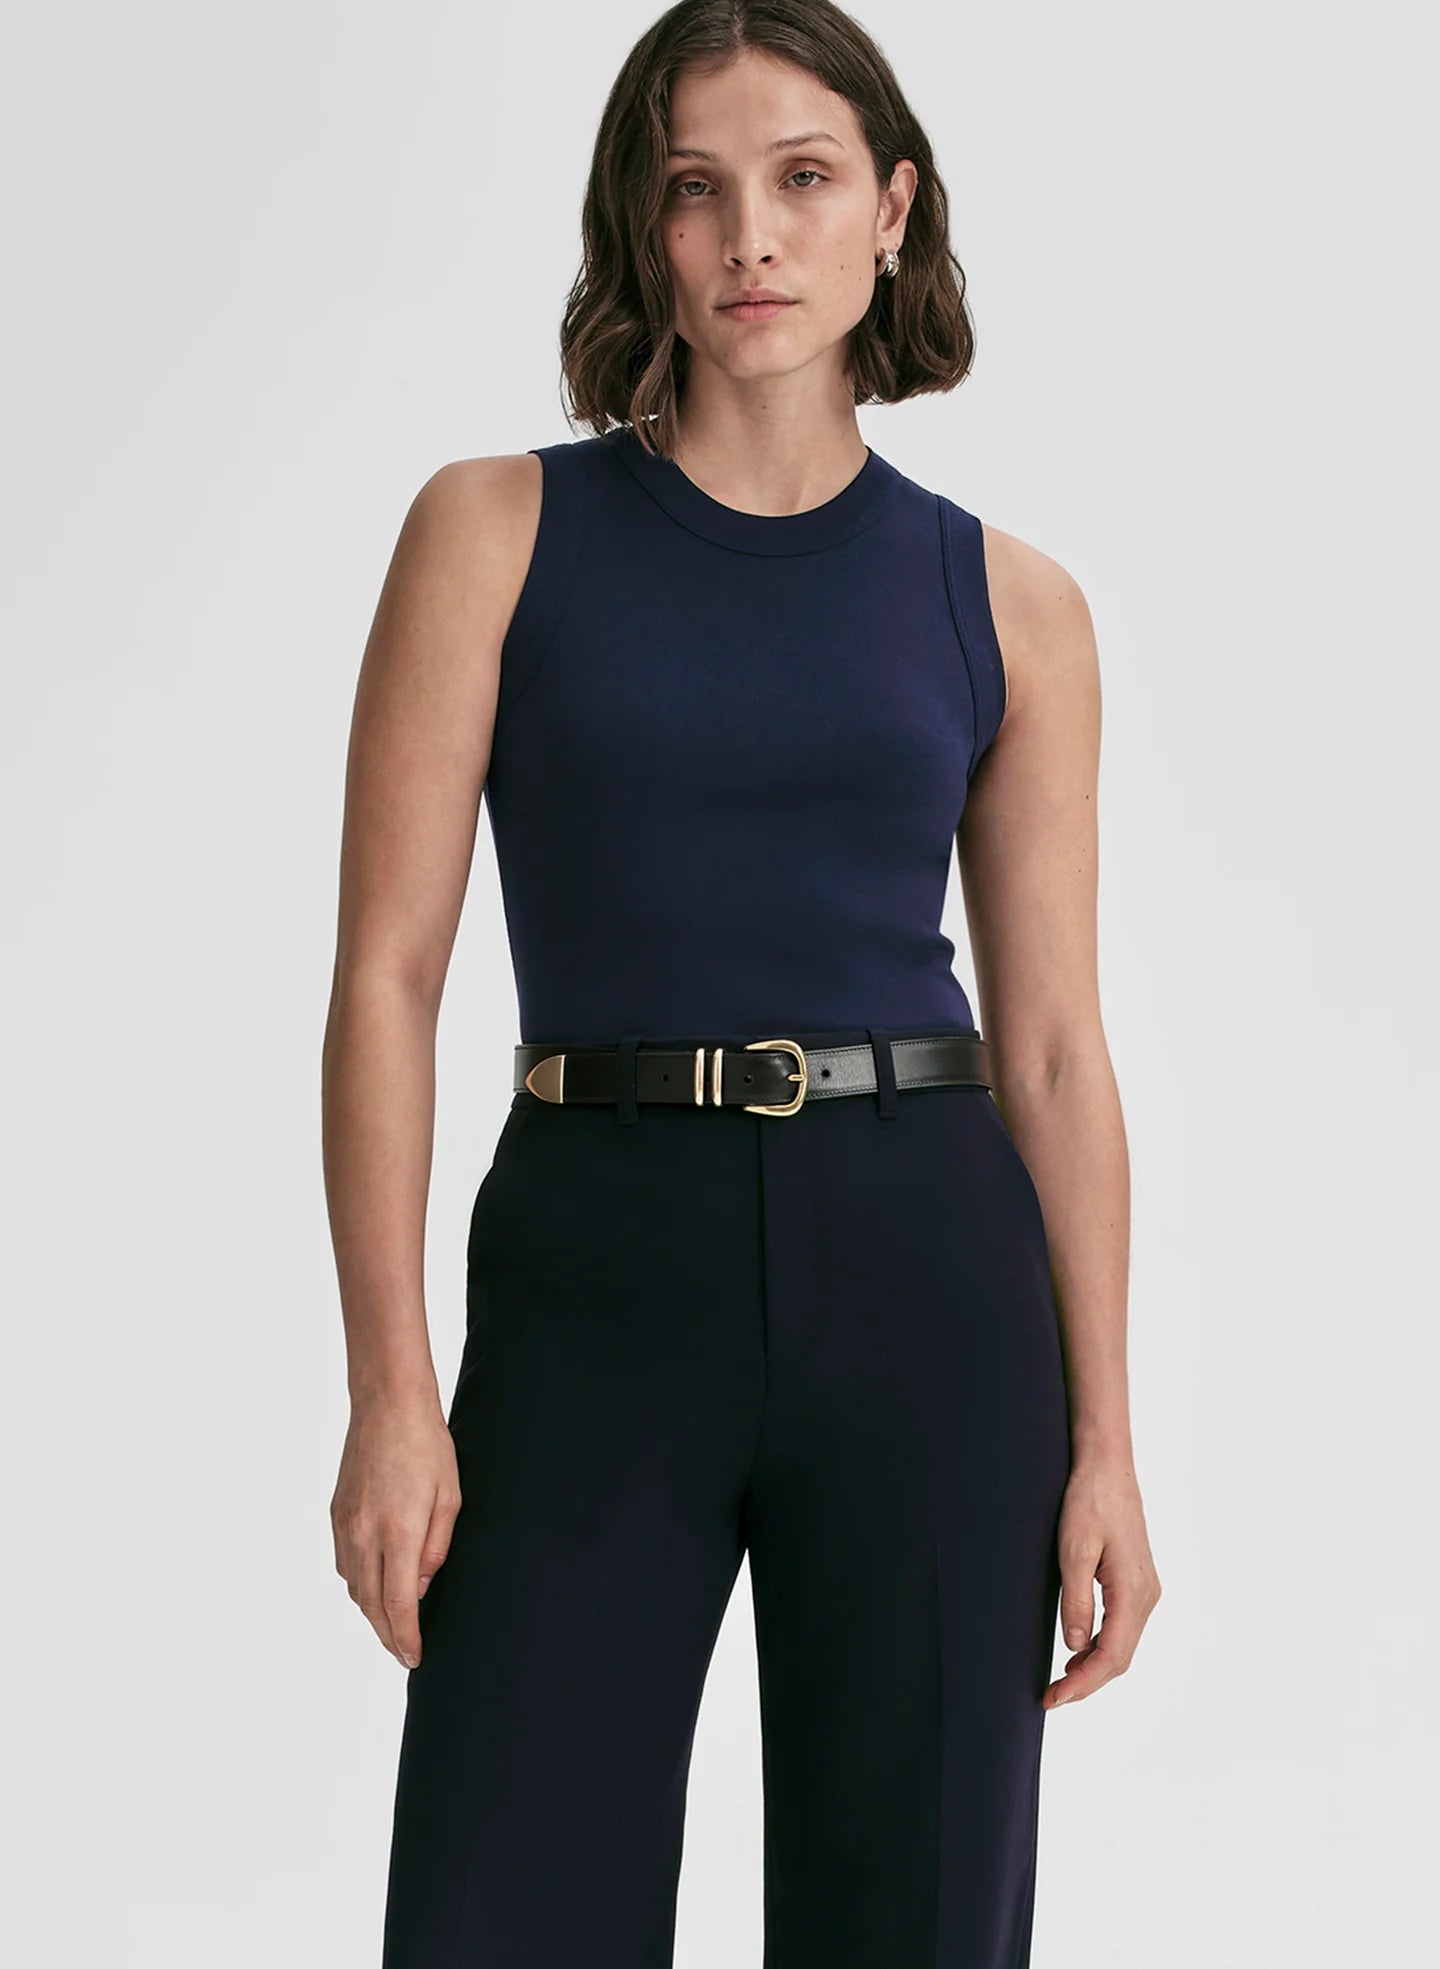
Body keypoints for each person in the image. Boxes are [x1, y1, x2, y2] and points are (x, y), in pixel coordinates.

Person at [322, 2, 1162, 1963]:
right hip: (596, 1263)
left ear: (894, 210)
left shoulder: (1010, 602)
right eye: (696, 190)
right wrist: (389, 1386)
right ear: (646, 224)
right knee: (506, 1904)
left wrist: (1108, 1437)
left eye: (803, 181)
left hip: (928, 1265)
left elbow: (1052, 1047)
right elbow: (385, 976)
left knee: (915, 1917)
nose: (751, 238)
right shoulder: (493, 532)